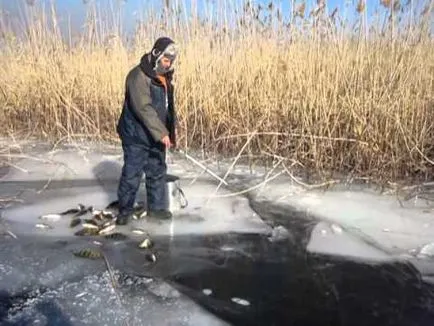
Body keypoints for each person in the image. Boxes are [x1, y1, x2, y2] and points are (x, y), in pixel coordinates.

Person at [115, 37, 178, 225]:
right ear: (156, 55)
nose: (168, 65)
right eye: (166, 60)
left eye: (171, 62)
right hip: (136, 135)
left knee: (157, 170)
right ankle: (124, 211)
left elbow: (167, 108)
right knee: (132, 174)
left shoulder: (163, 78)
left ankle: (156, 208)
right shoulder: (137, 76)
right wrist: (162, 133)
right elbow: (144, 108)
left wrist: (170, 132)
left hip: (155, 135)